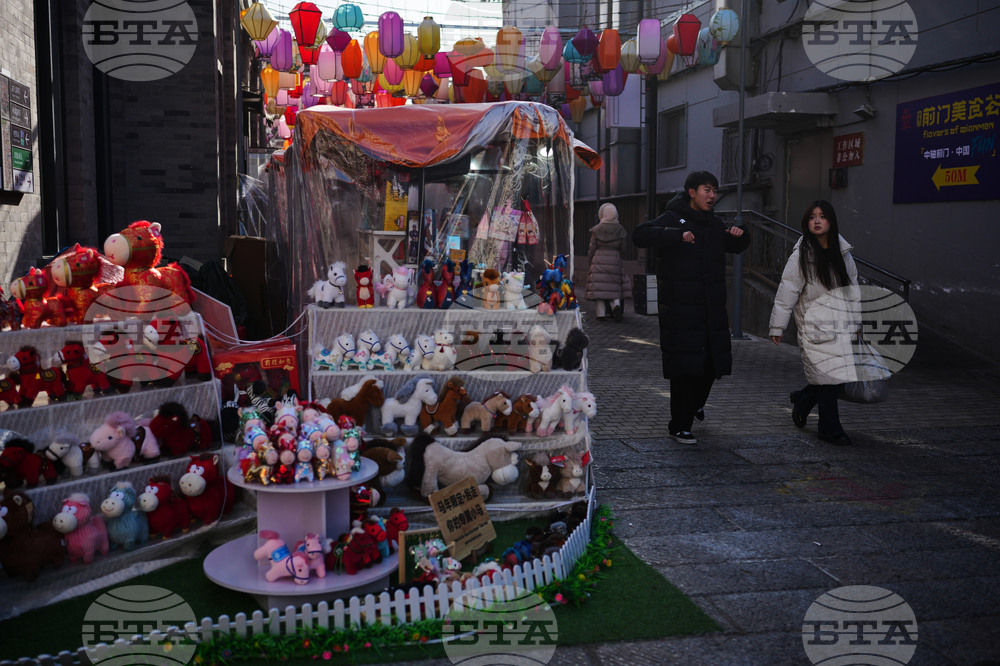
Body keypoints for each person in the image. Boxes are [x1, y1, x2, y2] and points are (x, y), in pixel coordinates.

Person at [632, 171, 750, 444]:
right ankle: (679, 426)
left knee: (711, 366)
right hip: (682, 312)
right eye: (707, 190)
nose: (712, 196)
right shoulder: (673, 217)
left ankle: (696, 405)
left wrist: (740, 234)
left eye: (714, 191)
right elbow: (641, 234)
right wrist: (675, 235)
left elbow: (738, 245)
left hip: (711, 310)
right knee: (685, 370)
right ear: (691, 192)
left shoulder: (715, 224)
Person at [769, 200, 860, 445]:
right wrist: (778, 326)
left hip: (840, 327)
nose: (817, 221)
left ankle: (802, 399)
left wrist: (857, 322)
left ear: (831, 221)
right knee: (828, 379)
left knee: (832, 379)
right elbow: (786, 291)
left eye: (822, 216)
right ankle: (829, 429)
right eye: (812, 217)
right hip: (813, 328)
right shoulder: (801, 255)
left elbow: (853, 290)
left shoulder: (843, 253)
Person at [586, 202, 629, 321]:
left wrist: (590, 261)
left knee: (599, 289)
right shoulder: (620, 230)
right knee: (614, 288)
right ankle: (616, 305)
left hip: (598, 260)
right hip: (614, 260)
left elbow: (592, 248)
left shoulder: (597, 230)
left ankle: (600, 314)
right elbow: (623, 248)